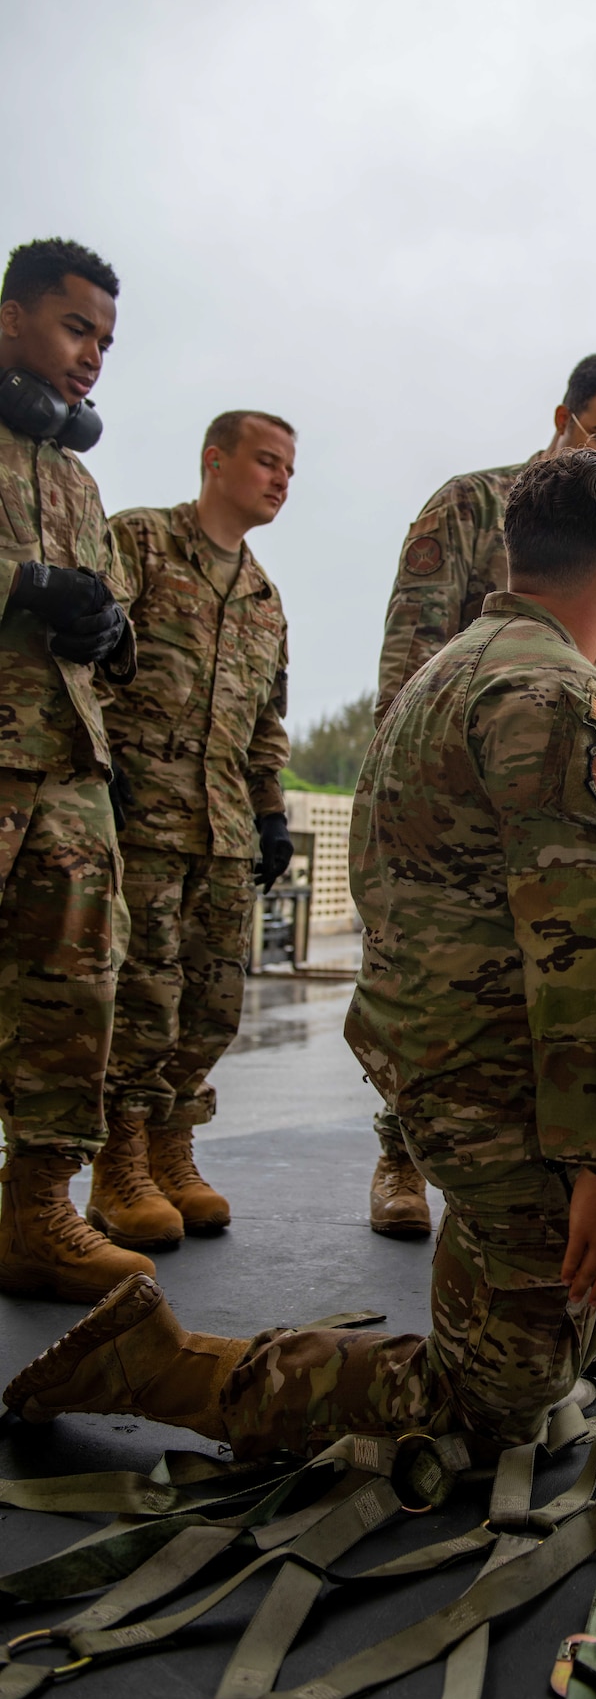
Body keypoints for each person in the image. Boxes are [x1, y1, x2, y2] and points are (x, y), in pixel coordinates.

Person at [5, 450, 596, 1458]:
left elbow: (522, 889)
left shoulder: (460, 667)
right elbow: (570, 960)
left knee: (564, 1301)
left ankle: (535, 1265)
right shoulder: (561, 697)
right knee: (495, 1414)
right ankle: (157, 1363)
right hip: (495, 1076)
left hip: (439, 1055)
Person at [367, 352, 596, 1239]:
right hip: (469, 776)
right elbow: (410, 654)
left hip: (553, 768)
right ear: (562, 415)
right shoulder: (472, 506)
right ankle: (412, 1159)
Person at [87, 413, 296, 1247]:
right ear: (215, 460)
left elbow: (266, 719)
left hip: (223, 830)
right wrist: (103, 766)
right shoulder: (139, 542)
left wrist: (272, 810)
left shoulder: (263, 595)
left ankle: (173, 1148)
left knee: (211, 1004)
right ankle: (120, 1161)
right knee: (139, 997)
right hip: (140, 820)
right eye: (266, 462)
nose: (281, 480)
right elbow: (86, 658)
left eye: (290, 468)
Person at [0, 236, 150, 1302]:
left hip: (65, 768)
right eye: (73, 327)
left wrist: (106, 625)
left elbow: (108, 612)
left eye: (104, 337)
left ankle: (38, 1212)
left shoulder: (75, 475)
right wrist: (22, 583)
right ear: (12, 316)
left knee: (73, 997)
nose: (91, 354)